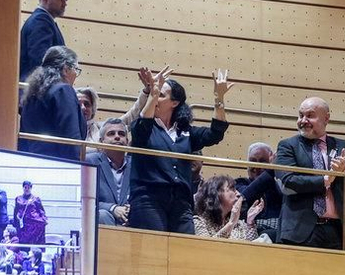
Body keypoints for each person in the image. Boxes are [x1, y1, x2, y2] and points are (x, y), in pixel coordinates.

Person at [126, 66, 232, 234]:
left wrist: (219, 98)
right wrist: (153, 93)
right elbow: (139, 132)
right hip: (149, 200)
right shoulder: (145, 126)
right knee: (154, 250)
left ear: (174, 102)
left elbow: (215, 134)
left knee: (182, 252)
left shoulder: (186, 132)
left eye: (161, 95)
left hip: (181, 202)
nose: (156, 98)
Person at [274, 96, 345, 248]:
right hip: (300, 232)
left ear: (326, 118)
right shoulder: (288, 146)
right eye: (300, 115)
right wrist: (325, 179)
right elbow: (288, 180)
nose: (303, 120)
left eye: (310, 115)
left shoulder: (342, 145)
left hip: (338, 231)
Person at [19, 45, 87, 161]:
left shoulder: (31, 95)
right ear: (66, 69)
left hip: (31, 162)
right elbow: (71, 138)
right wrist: (75, 167)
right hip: (58, 165)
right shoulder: (63, 90)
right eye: (76, 69)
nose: (76, 74)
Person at [19, 0, 68, 81]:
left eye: (66, 0)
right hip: (37, 90)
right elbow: (40, 61)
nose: (65, 4)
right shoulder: (41, 21)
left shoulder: (43, 20)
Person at [88, 118, 132, 227]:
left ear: (127, 141)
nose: (117, 136)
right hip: (104, 218)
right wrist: (113, 208)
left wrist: (133, 210)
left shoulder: (136, 164)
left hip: (130, 218)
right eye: (111, 134)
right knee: (102, 215)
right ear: (101, 141)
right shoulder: (90, 161)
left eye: (121, 134)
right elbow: (85, 200)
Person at [192, 175, 263, 240]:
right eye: (232, 189)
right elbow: (207, 248)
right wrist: (231, 224)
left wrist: (250, 222)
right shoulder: (199, 222)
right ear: (216, 193)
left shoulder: (239, 224)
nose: (238, 194)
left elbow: (252, 249)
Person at [236, 143, 282, 236]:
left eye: (262, 162)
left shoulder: (280, 187)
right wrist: (272, 169)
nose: (257, 167)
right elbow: (246, 197)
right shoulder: (239, 183)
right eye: (252, 161)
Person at [13, 180, 47, 246]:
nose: (27, 189)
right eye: (25, 187)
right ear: (23, 188)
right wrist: (15, 222)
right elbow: (15, 211)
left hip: (33, 223)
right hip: (23, 223)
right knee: (23, 241)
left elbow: (41, 210)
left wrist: (44, 219)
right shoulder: (18, 198)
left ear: (31, 188)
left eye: (28, 187)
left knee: (33, 241)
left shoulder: (36, 198)